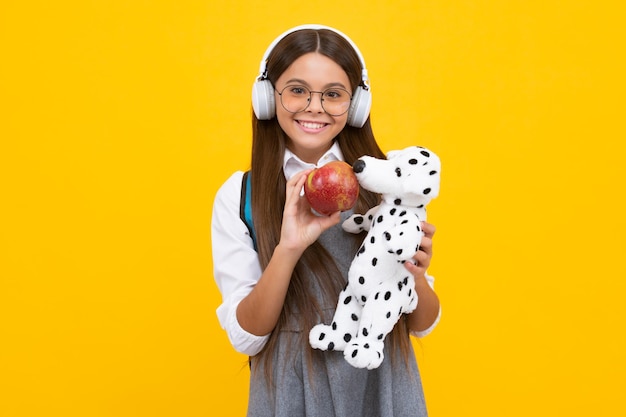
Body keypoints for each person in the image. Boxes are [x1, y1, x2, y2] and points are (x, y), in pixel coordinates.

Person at [212, 24, 441, 417]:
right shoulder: (240, 194)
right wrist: (288, 248)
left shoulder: (389, 183)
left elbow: (422, 323)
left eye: (333, 94)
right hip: (290, 386)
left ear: (354, 105)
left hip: (378, 377)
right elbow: (247, 337)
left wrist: (415, 274)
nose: (314, 107)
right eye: (297, 90)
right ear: (268, 97)